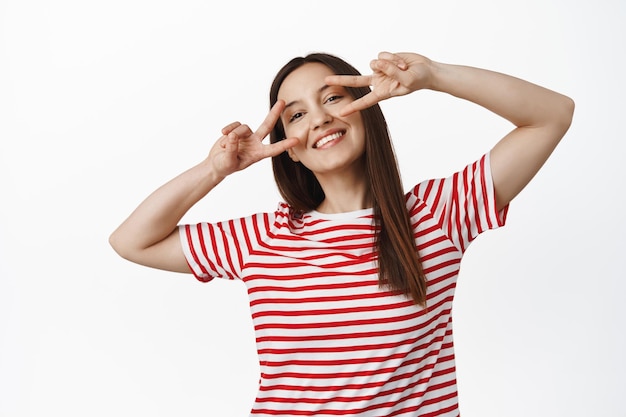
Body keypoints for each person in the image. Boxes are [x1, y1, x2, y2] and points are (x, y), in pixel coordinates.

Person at [109, 51, 574, 416]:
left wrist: (434, 76)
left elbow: (553, 114)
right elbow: (131, 240)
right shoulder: (264, 238)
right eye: (295, 115)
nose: (318, 119)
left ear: (366, 108)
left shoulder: (437, 215)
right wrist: (215, 170)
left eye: (332, 98)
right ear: (288, 150)